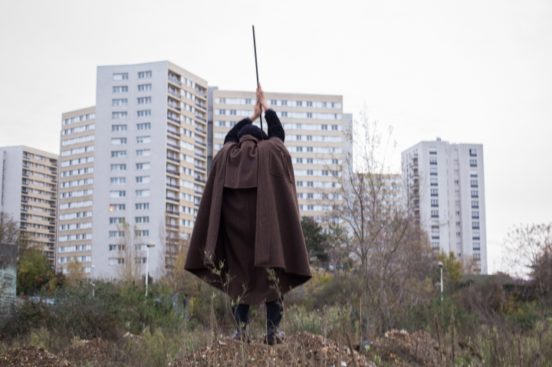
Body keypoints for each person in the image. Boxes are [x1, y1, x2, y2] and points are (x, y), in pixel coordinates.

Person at [184, 86, 311, 344]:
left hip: (236, 240)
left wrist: (251, 116)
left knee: (237, 282)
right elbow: (279, 135)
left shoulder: (225, 157)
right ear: (261, 140)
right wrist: (266, 108)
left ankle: (241, 333)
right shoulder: (270, 152)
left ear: (239, 140)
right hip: (267, 237)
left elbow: (229, 137)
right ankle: (273, 333)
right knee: (272, 281)